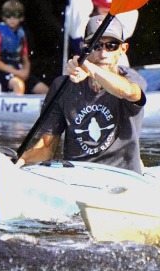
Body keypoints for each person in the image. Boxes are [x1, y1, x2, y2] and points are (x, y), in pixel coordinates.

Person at [18, 14, 146, 174]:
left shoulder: (131, 78)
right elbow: (45, 148)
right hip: (77, 176)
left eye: (111, 46)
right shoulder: (62, 86)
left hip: (122, 177)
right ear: (83, 47)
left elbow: (128, 92)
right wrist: (20, 161)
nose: (103, 54)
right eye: (96, 46)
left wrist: (89, 68)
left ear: (123, 49)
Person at [0, 0, 48, 95]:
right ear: (3, 17)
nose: (12, 19)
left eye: (16, 16)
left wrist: (25, 71)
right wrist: (17, 73)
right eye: (8, 16)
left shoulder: (21, 35)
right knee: (18, 85)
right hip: (0, 73)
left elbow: (25, 59)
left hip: (18, 70)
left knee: (45, 91)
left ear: (21, 18)